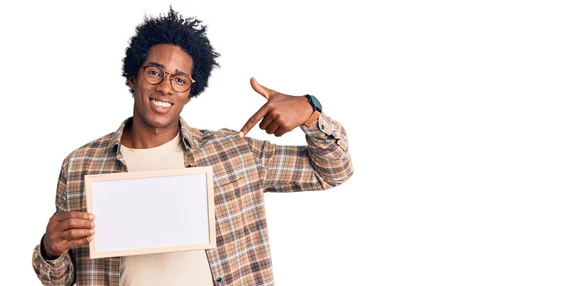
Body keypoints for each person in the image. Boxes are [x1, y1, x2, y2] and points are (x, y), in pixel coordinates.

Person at [31, 7, 353, 286]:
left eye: (180, 79)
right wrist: (50, 249)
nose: (165, 88)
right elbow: (60, 279)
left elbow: (333, 171)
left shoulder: (234, 153)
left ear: (189, 91)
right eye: (154, 72)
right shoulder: (80, 166)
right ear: (133, 77)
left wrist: (311, 113)